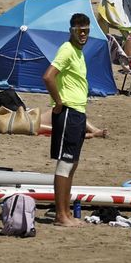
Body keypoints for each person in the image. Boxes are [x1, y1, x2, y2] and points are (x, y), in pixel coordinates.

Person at [42, 13, 92, 228]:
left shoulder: (79, 52)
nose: (83, 34)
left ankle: (66, 212)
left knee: (72, 164)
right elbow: (48, 76)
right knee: (65, 163)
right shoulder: (66, 49)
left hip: (78, 112)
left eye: (86, 30)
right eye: (79, 30)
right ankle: (60, 215)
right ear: (71, 30)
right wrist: (58, 102)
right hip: (68, 111)